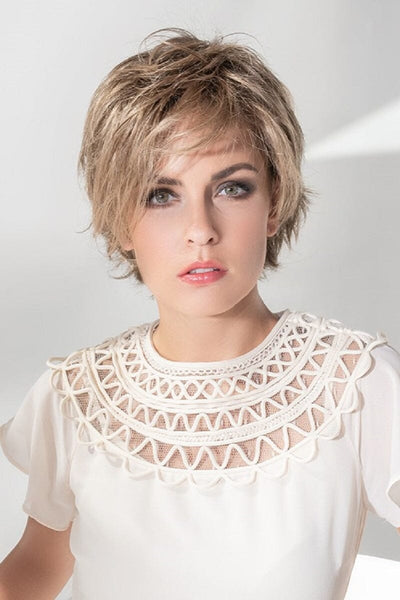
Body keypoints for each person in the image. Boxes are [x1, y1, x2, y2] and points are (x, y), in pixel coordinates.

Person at [0, 27, 399, 600]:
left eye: (232, 188)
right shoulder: (74, 398)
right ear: (120, 221)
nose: (200, 231)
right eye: (160, 195)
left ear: (274, 203)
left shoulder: (356, 384)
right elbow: (33, 573)